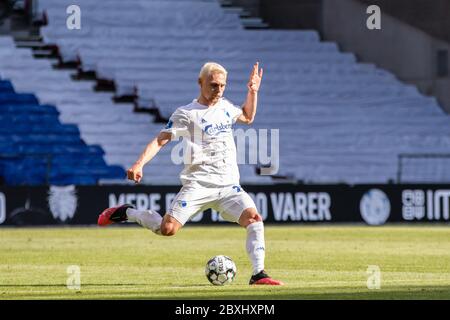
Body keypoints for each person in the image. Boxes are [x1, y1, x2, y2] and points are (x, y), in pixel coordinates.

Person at [98, 62, 283, 285]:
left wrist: (253, 91)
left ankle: (258, 274)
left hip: (228, 186)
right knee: (167, 229)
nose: (219, 90)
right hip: (198, 185)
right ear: (200, 82)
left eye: (223, 86)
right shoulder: (186, 113)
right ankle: (127, 213)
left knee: (254, 219)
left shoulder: (225, 107)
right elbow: (160, 140)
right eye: (214, 85)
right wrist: (139, 164)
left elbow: (247, 116)